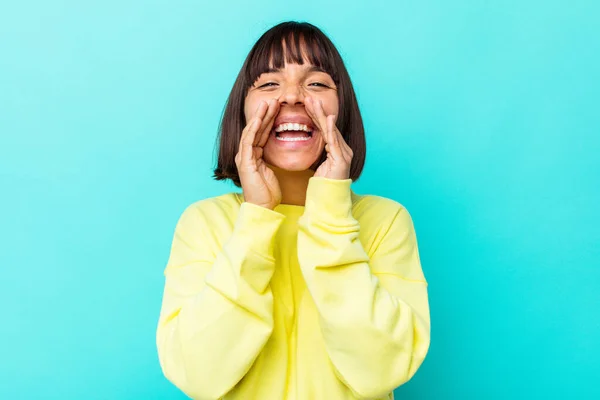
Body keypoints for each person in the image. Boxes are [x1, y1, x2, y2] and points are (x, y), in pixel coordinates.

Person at [156, 21, 430, 400]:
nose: (292, 96)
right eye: (269, 84)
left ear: (343, 110)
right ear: (243, 111)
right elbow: (199, 376)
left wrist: (332, 212)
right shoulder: (204, 223)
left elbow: (382, 370)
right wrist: (255, 220)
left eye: (316, 83)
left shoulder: (385, 222)